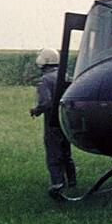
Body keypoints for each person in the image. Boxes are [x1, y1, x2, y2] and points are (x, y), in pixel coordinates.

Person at [29, 48, 76, 198]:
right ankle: (72, 181)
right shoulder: (65, 76)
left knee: (53, 153)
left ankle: (57, 183)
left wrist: (36, 110)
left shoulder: (45, 80)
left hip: (52, 121)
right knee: (66, 152)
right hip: (65, 120)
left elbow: (46, 102)